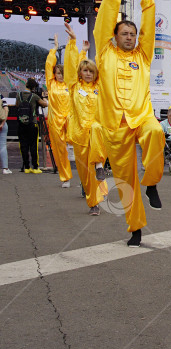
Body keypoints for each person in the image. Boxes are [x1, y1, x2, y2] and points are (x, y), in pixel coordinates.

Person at [94, 0, 165, 247]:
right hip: (115, 126)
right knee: (125, 182)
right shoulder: (104, 54)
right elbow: (102, 23)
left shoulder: (143, 57)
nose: (130, 37)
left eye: (133, 35)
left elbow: (149, 24)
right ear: (115, 36)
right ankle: (135, 229)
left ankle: (152, 183)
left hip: (141, 117)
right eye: (125, 33)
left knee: (156, 133)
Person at [63, 23, 109, 214]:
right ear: (80, 73)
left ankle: (99, 165)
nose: (88, 74)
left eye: (91, 71)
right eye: (85, 71)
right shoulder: (74, 86)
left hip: (97, 133)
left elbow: (106, 65)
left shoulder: (100, 87)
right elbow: (70, 66)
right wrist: (74, 44)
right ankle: (93, 204)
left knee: (97, 128)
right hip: (80, 134)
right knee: (85, 174)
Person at [44, 36, 73, 187]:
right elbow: (49, 65)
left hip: (70, 119)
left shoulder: (71, 84)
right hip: (55, 120)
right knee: (60, 150)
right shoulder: (51, 84)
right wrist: (54, 49)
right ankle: (65, 177)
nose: (59, 76)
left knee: (83, 145)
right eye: (57, 73)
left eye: (62, 73)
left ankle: (91, 172)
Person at [16, 78, 48, 173]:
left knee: (23, 145)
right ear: (34, 87)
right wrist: (43, 97)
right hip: (32, 123)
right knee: (33, 146)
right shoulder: (34, 96)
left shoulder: (19, 95)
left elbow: (17, 105)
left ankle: (26, 167)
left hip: (21, 123)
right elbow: (44, 104)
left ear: (26, 85)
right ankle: (35, 167)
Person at [0, 93, 9, 174]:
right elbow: (6, 109)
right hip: (1, 124)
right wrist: (2, 123)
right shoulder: (1, 97)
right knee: (2, 145)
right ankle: (5, 168)